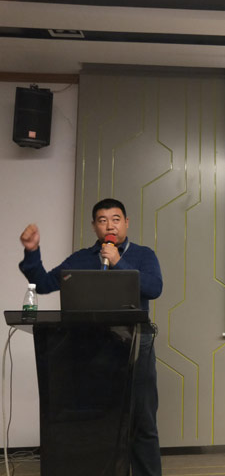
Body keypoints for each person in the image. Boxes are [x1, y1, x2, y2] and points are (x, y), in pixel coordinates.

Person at [19, 198, 163, 476]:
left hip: (136, 345)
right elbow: (44, 283)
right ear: (94, 226)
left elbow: (154, 288)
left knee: (142, 422)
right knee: (99, 423)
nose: (110, 225)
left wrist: (118, 262)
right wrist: (32, 251)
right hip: (91, 349)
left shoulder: (143, 255)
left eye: (116, 219)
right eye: (102, 220)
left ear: (126, 223)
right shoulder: (81, 259)